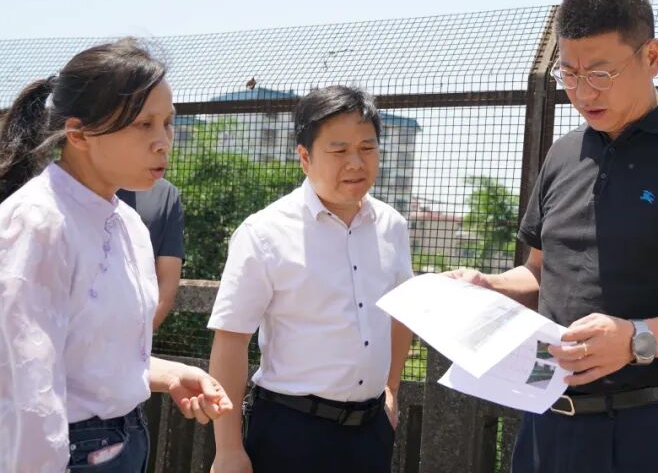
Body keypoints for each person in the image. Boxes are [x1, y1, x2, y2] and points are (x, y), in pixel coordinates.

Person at [449, 0, 658, 473]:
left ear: (652, 57)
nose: (582, 92)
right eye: (569, 73)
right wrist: (489, 286)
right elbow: (539, 273)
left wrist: (635, 338)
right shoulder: (562, 153)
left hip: (649, 428)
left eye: (601, 73)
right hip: (544, 420)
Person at [0, 38, 233, 472]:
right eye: (143, 124)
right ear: (78, 134)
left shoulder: (127, 222)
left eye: (168, 123)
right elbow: (25, 385)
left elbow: (90, 358)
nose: (163, 142)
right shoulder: (37, 221)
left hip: (124, 440)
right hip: (66, 452)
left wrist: (167, 374)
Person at [208, 85, 414, 473]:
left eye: (367, 148)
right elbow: (231, 339)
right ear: (305, 157)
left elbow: (401, 312)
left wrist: (391, 388)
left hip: (371, 431)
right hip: (291, 430)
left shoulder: (393, 226)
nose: (356, 162)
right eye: (339, 150)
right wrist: (228, 448)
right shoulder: (264, 232)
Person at [118, 178, 185, 330]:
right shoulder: (71, 184)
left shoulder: (165, 194)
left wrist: (136, 337)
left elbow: (166, 284)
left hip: (130, 330)